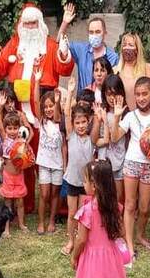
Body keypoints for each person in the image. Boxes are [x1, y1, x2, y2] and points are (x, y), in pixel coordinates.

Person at [0, 3, 75, 214]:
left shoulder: (50, 45)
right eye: (27, 23)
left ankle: (49, 204)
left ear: (40, 24)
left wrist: (63, 51)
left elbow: (64, 68)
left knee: (45, 158)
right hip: (16, 113)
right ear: (21, 25)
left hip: (45, 111)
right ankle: (23, 203)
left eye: (34, 23)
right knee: (17, 156)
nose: (31, 27)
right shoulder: (14, 44)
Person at [110, 77, 150, 262]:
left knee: (144, 208)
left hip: (149, 167)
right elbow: (114, 137)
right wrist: (117, 115)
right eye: (138, 94)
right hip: (132, 163)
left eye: (145, 94)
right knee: (129, 204)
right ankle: (129, 243)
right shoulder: (130, 116)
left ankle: (140, 234)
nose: (141, 98)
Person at [72, 160, 128, 278]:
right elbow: (122, 231)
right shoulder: (113, 208)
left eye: (85, 181)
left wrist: (74, 256)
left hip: (93, 262)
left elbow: (81, 240)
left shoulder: (87, 211)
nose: (83, 184)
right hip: (110, 260)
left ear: (94, 186)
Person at [61, 77, 108, 256]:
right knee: (72, 212)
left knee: (83, 213)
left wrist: (97, 116)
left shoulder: (91, 140)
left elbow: (96, 127)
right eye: (77, 123)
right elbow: (66, 114)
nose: (80, 126)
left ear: (87, 122)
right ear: (73, 125)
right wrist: (71, 91)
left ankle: (83, 239)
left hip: (87, 182)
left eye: (83, 122)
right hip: (72, 180)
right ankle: (71, 240)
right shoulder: (71, 136)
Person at [57, 2, 119, 91]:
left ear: (105, 33)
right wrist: (65, 23)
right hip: (83, 101)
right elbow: (60, 42)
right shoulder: (81, 50)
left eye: (97, 32)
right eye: (91, 32)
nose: (94, 35)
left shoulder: (113, 57)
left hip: (103, 102)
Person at [34, 66, 64, 235]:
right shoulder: (42, 122)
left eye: (51, 106)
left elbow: (58, 115)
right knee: (44, 194)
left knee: (54, 194)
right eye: (46, 107)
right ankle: (40, 221)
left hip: (58, 164)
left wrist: (58, 103)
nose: (48, 109)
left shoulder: (60, 123)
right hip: (44, 164)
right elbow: (37, 102)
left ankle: (52, 220)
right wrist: (37, 81)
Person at [0, 111, 32, 236]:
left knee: (20, 202)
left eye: (15, 128)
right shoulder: (5, 138)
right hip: (8, 175)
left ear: (19, 128)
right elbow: (0, 126)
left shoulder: (21, 140)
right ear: (6, 129)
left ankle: (21, 223)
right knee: (7, 203)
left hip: (19, 176)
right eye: (9, 128)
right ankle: (6, 228)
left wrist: (23, 120)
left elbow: (31, 132)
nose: (12, 131)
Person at [100, 74, 128, 206]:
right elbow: (95, 138)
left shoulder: (126, 114)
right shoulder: (101, 112)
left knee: (118, 196)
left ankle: (117, 222)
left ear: (121, 94)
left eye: (115, 94)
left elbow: (115, 138)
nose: (112, 98)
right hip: (104, 160)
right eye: (108, 94)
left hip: (120, 160)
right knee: (103, 195)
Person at [114, 33, 150, 110]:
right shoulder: (116, 70)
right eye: (124, 45)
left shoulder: (146, 68)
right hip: (123, 116)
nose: (127, 48)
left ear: (137, 49)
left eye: (131, 45)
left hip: (143, 114)